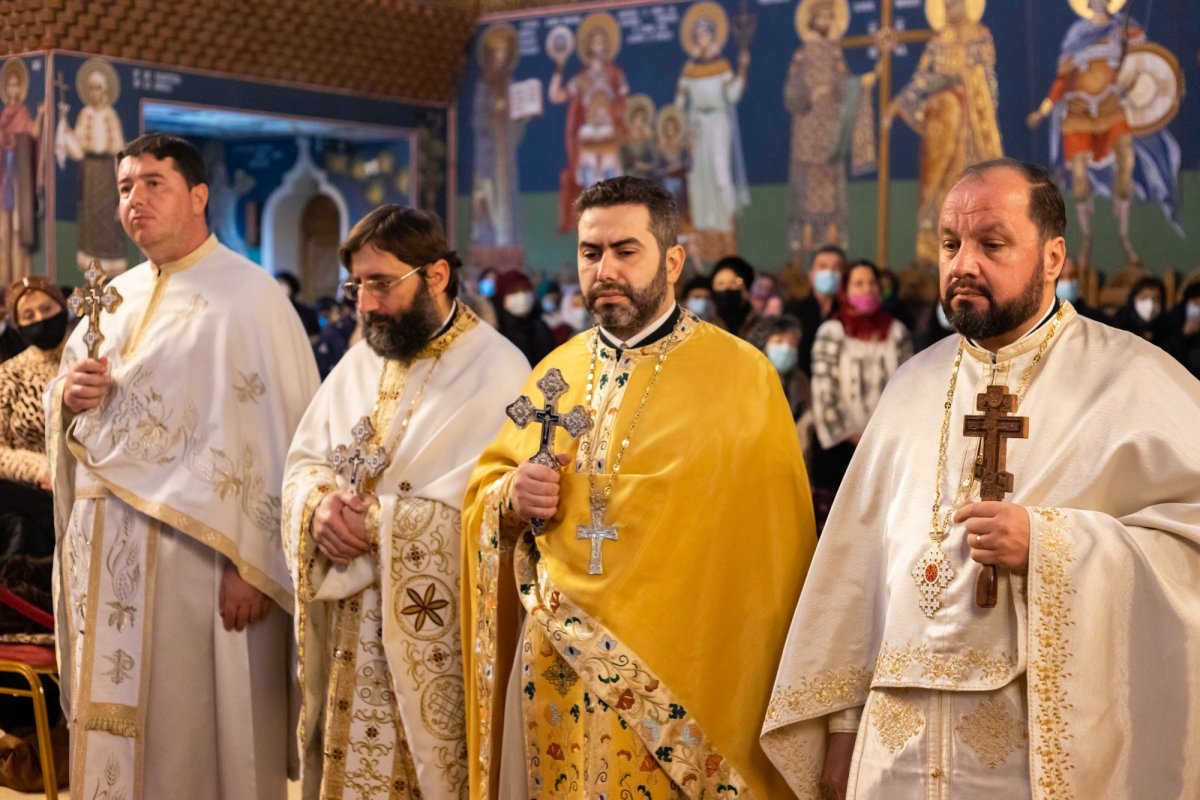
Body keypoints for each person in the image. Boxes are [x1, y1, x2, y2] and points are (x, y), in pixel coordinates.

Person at [763, 158, 1200, 798]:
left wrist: (1051, 546)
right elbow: (856, 580)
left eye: (991, 244)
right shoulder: (911, 386)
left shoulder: (1134, 381)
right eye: (950, 244)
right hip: (896, 752)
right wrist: (841, 727)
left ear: (1053, 258)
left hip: (1031, 757)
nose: (963, 263)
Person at [462, 176, 816, 799]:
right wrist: (512, 497)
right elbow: (489, 490)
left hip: (680, 683)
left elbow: (771, 559)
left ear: (672, 260)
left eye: (626, 251)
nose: (605, 270)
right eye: (591, 252)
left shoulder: (742, 377)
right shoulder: (556, 371)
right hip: (554, 669)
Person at [45, 133, 319, 799]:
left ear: (198, 195)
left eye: (152, 183)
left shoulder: (250, 299)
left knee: (193, 733)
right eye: (125, 187)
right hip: (105, 555)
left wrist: (253, 563)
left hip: (200, 562)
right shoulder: (111, 297)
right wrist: (68, 399)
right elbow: (74, 419)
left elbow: (280, 439)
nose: (134, 200)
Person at [282, 205, 527, 799]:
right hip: (349, 633)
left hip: (435, 640)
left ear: (436, 275)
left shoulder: (498, 370)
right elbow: (304, 463)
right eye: (357, 285)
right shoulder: (361, 360)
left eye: (380, 284)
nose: (364, 304)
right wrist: (317, 509)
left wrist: (383, 523)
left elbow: (501, 514)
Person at [1027, 0, 1182, 267]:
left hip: (1112, 106)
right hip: (1080, 111)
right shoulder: (1077, 35)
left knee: (1127, 161)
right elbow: (1062, 80)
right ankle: (1086, 240)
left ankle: (1124, 236)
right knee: (1078, 175)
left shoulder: (1123, 29)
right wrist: (1043, 110)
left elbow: (1141, 61)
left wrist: (1130, 49)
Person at [885, 0, 1003, 265]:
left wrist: (984, 110)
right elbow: (922, 78)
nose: (951, 10)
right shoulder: (938, 40)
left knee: (970, 184)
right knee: (937, 182)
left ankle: (977, 246)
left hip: (970, 124)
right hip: (940, 123)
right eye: (947, 6)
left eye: (956, 5)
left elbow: (987, 78)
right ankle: (933, 248)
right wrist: (900, 101)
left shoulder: (980, 35)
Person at [809, 258, 911, 530]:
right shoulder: (831, 332)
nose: (867, 289)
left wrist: (884, 435)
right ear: (846, 290)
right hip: (841, 448)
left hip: (886, 447)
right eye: (858, 283)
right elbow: (824, 391)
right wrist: (852, 436)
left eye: (872, 283)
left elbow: (908, 389)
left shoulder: (897, 332)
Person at [785, 0, 876, 256]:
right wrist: (809, 95)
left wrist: (861, 84)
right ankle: (801, 239)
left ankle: (829, 238)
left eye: (829, 17)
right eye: (821, 17)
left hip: (831, 130)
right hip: (807, 127)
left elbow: (845, 87)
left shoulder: (836, 55)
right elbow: (791, 92)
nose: (825, 22)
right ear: (812, 20)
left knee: (829, 183)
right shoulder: (801, 55)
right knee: (806, 183)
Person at [675, 2, 751, 261]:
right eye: (698, 36)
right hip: (696, 124)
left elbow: (733, 94)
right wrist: (681, 127)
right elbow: (679, 102)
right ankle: (704, 236)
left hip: (718, 122)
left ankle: (726, 229)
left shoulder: (722, 65)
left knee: (720, 174)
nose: (703, 40)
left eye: (706, 35)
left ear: (713, 36)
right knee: (698, 178)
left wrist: (742, 68)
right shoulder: (689, 68)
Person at [0, 277, 66, 560]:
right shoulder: (10, 374)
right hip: (31, 493)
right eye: (28, 315)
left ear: (62, 308)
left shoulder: (88, 359)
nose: (39, 319)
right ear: (17, 324)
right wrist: (40, 468)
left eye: (46, 309)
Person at [548, 12, 629, 231]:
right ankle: (593, 228)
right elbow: (556, 96)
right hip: (588, 136)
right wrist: (559, 66)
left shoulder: (615, 74)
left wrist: (618, 119)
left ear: (608, 45)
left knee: (613, 183)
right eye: (594, 41)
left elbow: (623, 102)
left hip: (609, 135)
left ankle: (615, 225)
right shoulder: (581, 78)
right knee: (591, 184)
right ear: (589, 46)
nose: (599, 45)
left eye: (602, 41)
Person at [55, 57, 127, 273]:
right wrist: (63, 120)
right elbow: (76, 145)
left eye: (98, 88)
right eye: (91, 89)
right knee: (90, 215)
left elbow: (119, 149)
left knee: (107, 217)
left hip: (107, 171)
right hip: (90, 172)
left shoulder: (110, 115)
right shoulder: (85, 114)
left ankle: (111, 262)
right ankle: (92, 263)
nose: (95, 93)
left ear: (104, 91)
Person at [785, 244, 845, 375]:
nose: (829, 273)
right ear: (811, 275)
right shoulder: (793, 311)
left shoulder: (848, 314)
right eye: (823, 267)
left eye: (836, 268)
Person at [492, 268, 555, 365]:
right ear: (501, 298)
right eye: (513, 292)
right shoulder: (495, 330)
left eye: (525, 290)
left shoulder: (541, 327)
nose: (522, 296)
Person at [1109, 275, 1168, 347]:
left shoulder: (1168, 328)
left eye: (1156, 299)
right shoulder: (1120, 324)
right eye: (1144, 297)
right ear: (1133, 299)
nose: (1150, 303)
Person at [710, 254, 759, 338]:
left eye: (733, 283)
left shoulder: (761, 327)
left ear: (745, 290)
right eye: (720, 283)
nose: (726, 289)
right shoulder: (706, 327)